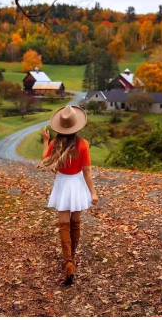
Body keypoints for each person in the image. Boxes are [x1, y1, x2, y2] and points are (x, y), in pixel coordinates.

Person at [39, 105, 98, 285]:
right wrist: (93, 193)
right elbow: (87, 172)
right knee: (75, 223)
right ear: (76, 126)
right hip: (78, 183)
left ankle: (68, 263)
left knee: (63, 224)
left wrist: (45, 140)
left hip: (63, 184)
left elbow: (44, 161)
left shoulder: (54, 144)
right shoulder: (83, 144)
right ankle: (72, 259)